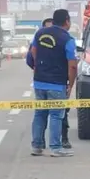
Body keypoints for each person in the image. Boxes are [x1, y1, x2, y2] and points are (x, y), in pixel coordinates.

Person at [28, 9, 77, 157]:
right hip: (57, 83)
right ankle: (56, 147)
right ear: (67, 21)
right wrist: (70, 85)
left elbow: (33, 51)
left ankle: (37, 146)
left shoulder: (40, 33)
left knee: (39, 114)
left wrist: (39, 66)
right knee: (56, 115)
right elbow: (72, 65)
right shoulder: (67, 39)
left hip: (39, 81)